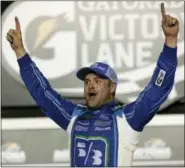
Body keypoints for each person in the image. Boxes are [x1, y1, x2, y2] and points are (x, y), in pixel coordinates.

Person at [6, 3, 179, 167]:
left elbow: (158, 89)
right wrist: (20, 52)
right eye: (87, 81)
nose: (90, 86)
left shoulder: (127, 119)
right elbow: (42, 93)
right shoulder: (73, 116)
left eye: (98, 81)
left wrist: (170, 41)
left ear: (112, 88)